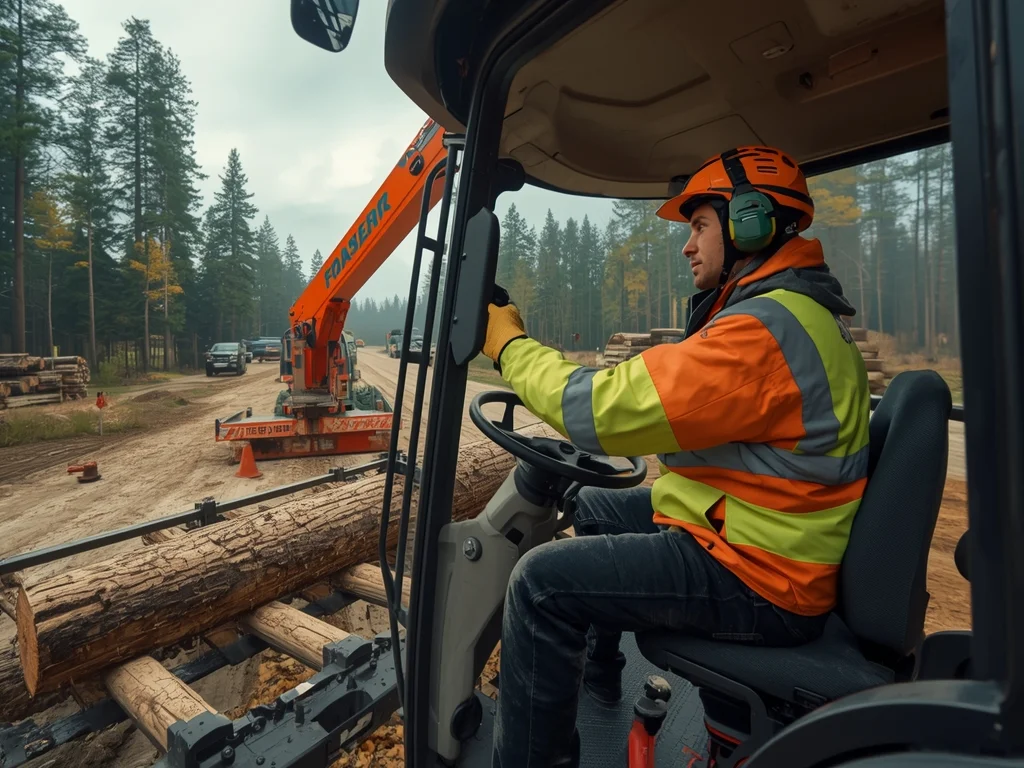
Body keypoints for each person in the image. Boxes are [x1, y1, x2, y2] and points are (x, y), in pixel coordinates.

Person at [482, 146, 871, 767]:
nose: (688, 246)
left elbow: (600, 410)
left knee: (539, 586)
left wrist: (508, 345)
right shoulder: (794, 315)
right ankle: (600, 676)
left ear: (749, 222)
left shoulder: (762, 333)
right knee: (596, 504)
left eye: (698, 226)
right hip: (758, 534)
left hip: (761, 577)